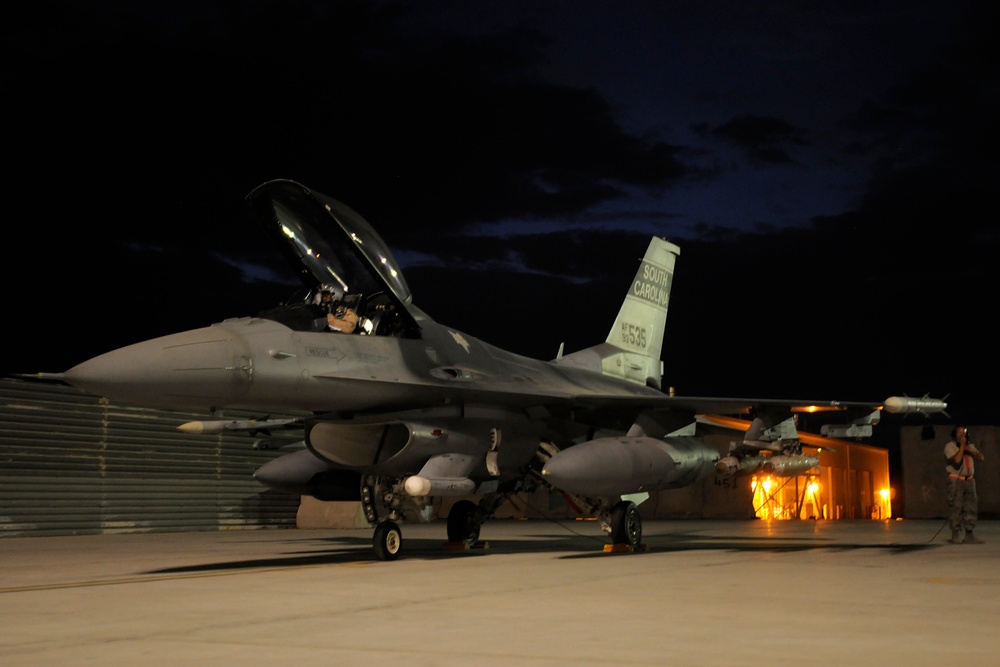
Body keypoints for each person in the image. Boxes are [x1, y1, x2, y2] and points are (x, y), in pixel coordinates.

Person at [944, 425, 985, 544]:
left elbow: (981, 458)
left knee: (971, 507)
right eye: (959, 433)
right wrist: (962, 447)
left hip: (969, 480)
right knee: (956, 506)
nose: (962, 435)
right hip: (956, 480)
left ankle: (969, 534)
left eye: (964, 433)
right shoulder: (949, 446)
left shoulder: (970, 446)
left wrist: (970, 449)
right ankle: (955, 533)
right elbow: (956, 461)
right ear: (954, 435)